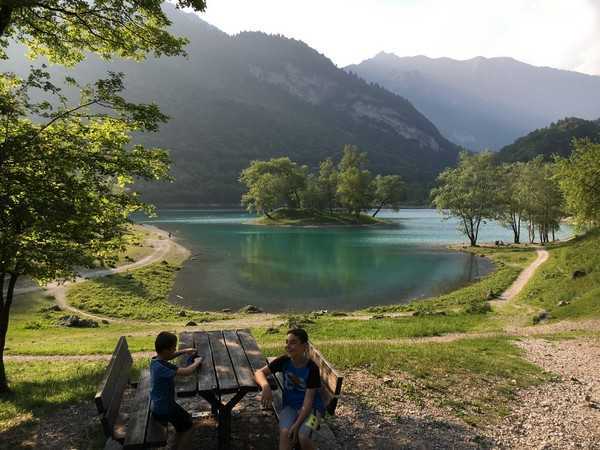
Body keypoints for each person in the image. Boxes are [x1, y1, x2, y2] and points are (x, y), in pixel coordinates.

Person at [255, 328, 324, 450]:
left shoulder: (311, 368)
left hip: (314, 411)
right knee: (285, 434)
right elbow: (259, 373)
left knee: (303, 436)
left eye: (293, 342)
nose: (288, 346)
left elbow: (308, 402)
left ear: (304, 346)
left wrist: (297, 425)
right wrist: (265, 387)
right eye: (287, 342)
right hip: (290, 406)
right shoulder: (284, 361)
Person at [150, 331, 203, 450]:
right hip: (165, 407)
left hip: (158, 404)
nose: (175, 350)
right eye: (173, 348)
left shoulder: (155, 361)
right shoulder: (163, 367)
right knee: (189, 425)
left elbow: (169, 356)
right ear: (165, 350)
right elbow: (186, 372)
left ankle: (174, 446)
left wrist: (184, 351)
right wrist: (197, 362)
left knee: (181, 425)